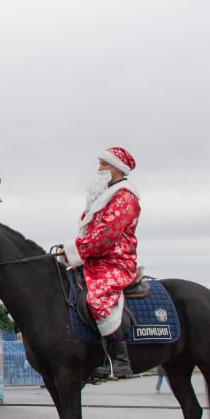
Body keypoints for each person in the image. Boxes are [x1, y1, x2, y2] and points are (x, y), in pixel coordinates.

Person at [53, 146, 141, 380]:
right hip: (93, 257)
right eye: (99, 163)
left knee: (97, 296)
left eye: (104, 163)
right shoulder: (104, 195)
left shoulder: (125, 197)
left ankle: (121, 360)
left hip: (114, 259)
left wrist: (74, 250)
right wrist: (69, 251)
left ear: (118, 168)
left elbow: (106, 234)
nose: (99, 168)